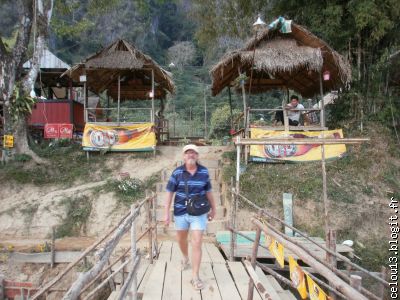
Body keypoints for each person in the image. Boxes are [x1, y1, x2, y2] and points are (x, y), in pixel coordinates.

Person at [164, 144, 216, 290]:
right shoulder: (177, 173)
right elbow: (169, 193)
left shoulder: (204, 172)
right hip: (180, 212)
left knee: (197, 242)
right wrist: (166, 213)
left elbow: (209, 192)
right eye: (188, 153)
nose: (191, 155)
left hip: (199, 213)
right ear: (183, 156)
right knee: (181, 239)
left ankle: (195, 276)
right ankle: (185, 257)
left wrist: (214, 209)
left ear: (197, 156)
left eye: (193, 153)